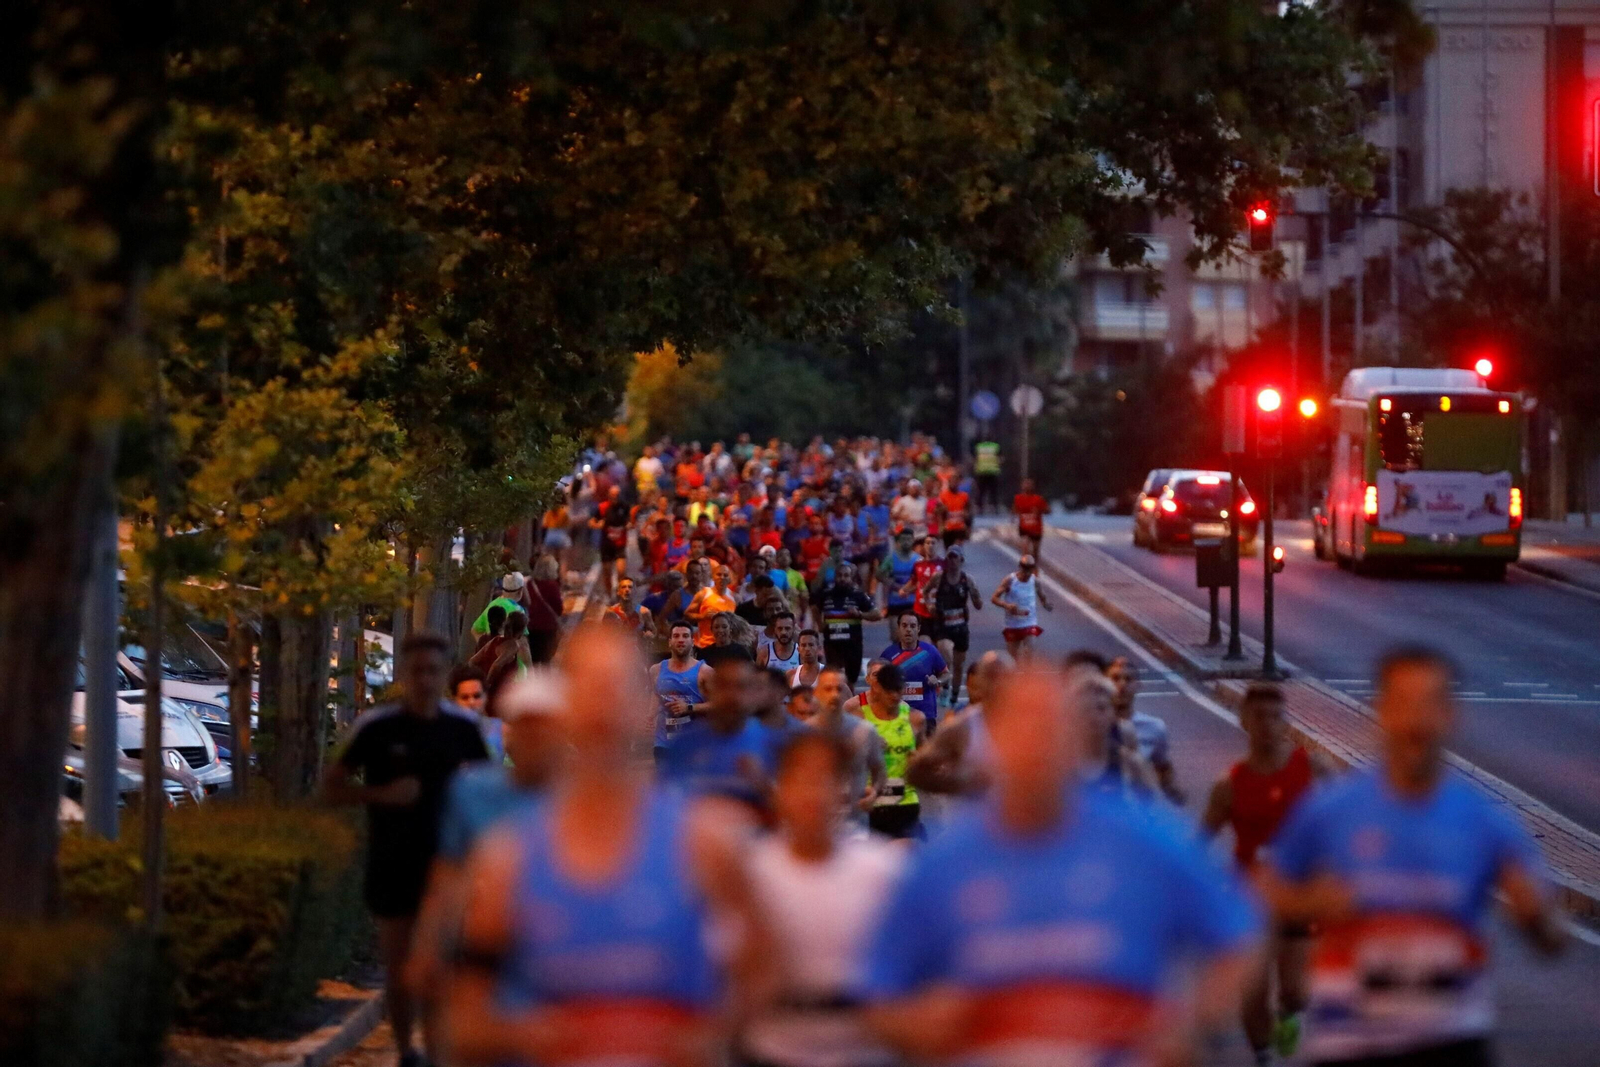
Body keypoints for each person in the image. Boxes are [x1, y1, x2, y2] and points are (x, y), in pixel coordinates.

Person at [859, 666, 1263, 1067]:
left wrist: (1189, 1029)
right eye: (1021, 729)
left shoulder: (1142, 840)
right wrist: (915, 1026)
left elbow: (1240, 940)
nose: (1035, 746)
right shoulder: (946, 863)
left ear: (1073, 742)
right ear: (993, 742)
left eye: (1048, 730)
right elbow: (880, 994)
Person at [443, 625, 763, 1067]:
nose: (602, 707)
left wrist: (707, 1037)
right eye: (587, 689)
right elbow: (465, 1027)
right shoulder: (509, 857)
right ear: (565, 708)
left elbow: (765, 974)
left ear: (641, 706)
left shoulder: (705, 842)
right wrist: (541, 1037)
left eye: (616, 688)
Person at [1259, 647, 1565, 1067]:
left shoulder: (1484, 820)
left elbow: (1552, 940)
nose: (1416, 721)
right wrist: (1308, 904)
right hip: (1350, 1042)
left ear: (1451, 715)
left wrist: (1536, 918)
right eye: (1403, 704)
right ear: (1381, 712)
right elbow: (1261, 895)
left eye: (1431, 705)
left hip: (1450, 1042)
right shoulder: (1331, 811)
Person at [322, 633, 491, 1067]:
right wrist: (381, 795)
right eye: (416, 671)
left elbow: (490, 790)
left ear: (445, 674)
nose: (425, 679)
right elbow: (330, 789)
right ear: (404, 674)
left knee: (441, 969)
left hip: (447, 866)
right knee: (398, 970)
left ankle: (437, 1053)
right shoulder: (378, 728)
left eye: (433, 671)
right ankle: (406, 1052)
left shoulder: (463, 729)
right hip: (392, 861)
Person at [738, 731, 906, 1067]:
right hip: (774, 1049)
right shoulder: (748, 876)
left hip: (865, 1052)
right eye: (801, 778)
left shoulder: (885, 871)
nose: (813, 793)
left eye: (827, 779)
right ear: (779, 789)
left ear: (846, 790)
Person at [404, 670, 565, 1006]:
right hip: (484, 948)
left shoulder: (583, 795)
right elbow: (447, 874)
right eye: (525, 726)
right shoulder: (472, 791)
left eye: (545, 728)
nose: (534, 738)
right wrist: (428, 946)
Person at [1201, 683, 1323, 1065]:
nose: (1269, 725)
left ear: (1286, 722)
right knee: (1252, 991)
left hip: (1298, 895)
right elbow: (1199, 840)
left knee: (1296, 992)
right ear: (1244, 721)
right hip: (1248, 900)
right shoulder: (1230, 785)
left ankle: (1288, 1016)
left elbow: (1343, 820)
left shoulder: (1312, 768)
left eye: (1276, 716)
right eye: (1260, 717)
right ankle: (1265, 1056)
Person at [659, 656, 777, 812]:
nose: (732, 696)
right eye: (724, 686)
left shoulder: (773, 743)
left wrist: (763, 785)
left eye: (741, 687)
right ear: (710, 690)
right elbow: (664, 807)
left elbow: (791, 813)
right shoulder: (683, 744)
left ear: (754, 693)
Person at [905, 650, 1007, 799]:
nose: (996, 686)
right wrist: (959, 784)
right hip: (969, 818)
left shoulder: (1027, 724)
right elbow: (916, 771)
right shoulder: (961, 726)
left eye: (1002, 678)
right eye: (991, 678)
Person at [809, 665, 887, 828]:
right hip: (816, 827)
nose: (835, 695)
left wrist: (874, 793)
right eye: (828, 689)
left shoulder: (865, 731)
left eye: (839, 689)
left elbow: (879, 771)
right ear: (816, 693)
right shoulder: (803, 734)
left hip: (855, 827)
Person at [859, 662, 924, 839]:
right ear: (877, 688)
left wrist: (918, 761)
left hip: (907, 801)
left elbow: (925, 762)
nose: (895, 695)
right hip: (872, 804)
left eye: (898, 689)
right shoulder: (860, 718)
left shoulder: (915, 719)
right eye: (890, 690)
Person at [1107, 655, 1183, 804]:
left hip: (1138, 816)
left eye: (1128, 679)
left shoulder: (1154, 728)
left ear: (1138, 685)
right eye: (1115, 679)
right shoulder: (1091, 727)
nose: (1122, 685)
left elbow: (1162, 767)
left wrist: (1169, 790)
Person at [1075, 668, 1158, 799]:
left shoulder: (1130, 763)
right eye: (1086, 709)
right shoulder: (1059, 765)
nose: (1093, 716)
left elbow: (1150, 806)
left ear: (1113, 713)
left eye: (1101, 708)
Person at [918, 546, 982, 707]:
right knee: (946, 654)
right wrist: (930, 604)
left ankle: (954, 696)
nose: (952, 561)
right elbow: (925, 591)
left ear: (961, 560)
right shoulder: (939, 577)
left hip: (960, 625)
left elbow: (978, 603)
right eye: (949, 558)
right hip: (942, 624)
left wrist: (976, 598)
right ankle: (945, 688)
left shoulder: (967, 579)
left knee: (959, 664)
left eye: (955, 558)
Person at [650, 622, 713, 763]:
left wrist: (689, 707)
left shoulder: (705, 672)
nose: (680, 640)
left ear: (693, 641)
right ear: (670, 642)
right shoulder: (656, 670)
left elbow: (719, 704)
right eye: (676, 636)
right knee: (664, 783)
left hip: (694, 742)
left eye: (685, 636)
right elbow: (655, 694)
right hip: (664, 741)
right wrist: (649, 717)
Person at [877, 612, 948, 734]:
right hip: (898, 715)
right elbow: (879, 684)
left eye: (912, 626)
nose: (908, 630)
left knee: (926, 752)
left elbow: (946, 674)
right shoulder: (887, 655)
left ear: (919, 628)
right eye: (904, 626)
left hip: (926, 714)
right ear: (899, 628)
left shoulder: (930, 651)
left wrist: (938, 681)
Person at [814, 562, 881, 690]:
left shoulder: (858, 595)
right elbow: (814, 607)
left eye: (846, 576)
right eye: (840, 575)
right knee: (834, 677)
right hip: (832, 644)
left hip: (853, 644)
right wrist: (819, 624)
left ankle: (849, 704)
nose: (843, 578)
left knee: (851, 680)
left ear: (851, 578)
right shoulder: (826, 595)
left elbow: (877, 614)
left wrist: (860, 614)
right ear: (835, 577)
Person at [991, 553, 1052, 660]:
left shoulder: (1034, 581)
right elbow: (994, 598)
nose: (1027, 573)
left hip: (1029, 622)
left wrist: (1046, 604)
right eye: (1025, 569)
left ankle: (1027, 674)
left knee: (1030, 651)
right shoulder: (1010, 580)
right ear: (1020, 567)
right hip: (1013, 624)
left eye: (1030, 570)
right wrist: (1007, 605)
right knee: (1012, 659)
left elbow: (1042, 595)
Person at [877, 528, 920, 639]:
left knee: (912, 637)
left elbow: (923, 581)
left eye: (908, 539)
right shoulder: (891, 558)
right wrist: (892, 584)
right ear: (898, 541)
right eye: (903, 539)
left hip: (913, 603)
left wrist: (909, 589)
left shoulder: (918, 560)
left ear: (913, 540)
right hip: (895, 602)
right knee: (896, 637)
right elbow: (879, 574)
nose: (906, 542)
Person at [591, 483, 631, 597]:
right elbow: (592, 522)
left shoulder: (624, 506)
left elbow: (630, 521)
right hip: (606, 544)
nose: (615, 498)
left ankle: (621, 593)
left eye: (617, 495)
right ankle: (609, 595)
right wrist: (598, 525)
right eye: (613, 495)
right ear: (609, 495)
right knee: (607, 571)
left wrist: (629, 525)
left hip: (620, 544)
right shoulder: (602, 507)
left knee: (621, 571)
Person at [686, 563, 738, 650]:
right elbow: (687, 614)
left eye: (725, 575)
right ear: (713, 576)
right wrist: (702, 616)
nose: (722, 577)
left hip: (724, 645)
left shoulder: (733, 597)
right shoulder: (704, 593)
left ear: (729, 579)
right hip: (704, 644)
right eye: (719, 574)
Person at [1012, 476, 1048, 556]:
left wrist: (1039, 511)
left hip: (1036, 528)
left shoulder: (1038, 499)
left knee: (1035, 550)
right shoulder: (1018, 498)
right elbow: (1014, 510)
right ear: (1022, 486)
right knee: (1025, 548)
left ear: (1033, 486)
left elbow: (1047, 510)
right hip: (1024, 527)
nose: (1027, 486)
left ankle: (1035, 566)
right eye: (1025, 484)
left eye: (1029, 484)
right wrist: (1014, 516)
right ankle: (1025, 566)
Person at [935, 477, 970, 548]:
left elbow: (969, 512)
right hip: (947, 528)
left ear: (958, 484)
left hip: (960, 528)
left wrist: (969, 528)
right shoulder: (943, 495)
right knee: (948, 551)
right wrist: (940, 527)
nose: (953, 484)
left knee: (956, 550)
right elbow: (937, 512)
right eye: (951, 482)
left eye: (955, 482)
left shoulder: (964, 496)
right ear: (948, 484)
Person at [972, 438, 1001, 515]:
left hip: (981, 471)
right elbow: (1000, 458)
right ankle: (994, 508)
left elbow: (974, 458)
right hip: (992, 471)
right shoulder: (995, 446)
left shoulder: (979, 446)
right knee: (993, 491)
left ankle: (980, 508)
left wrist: (976, 468)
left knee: (981, 491)